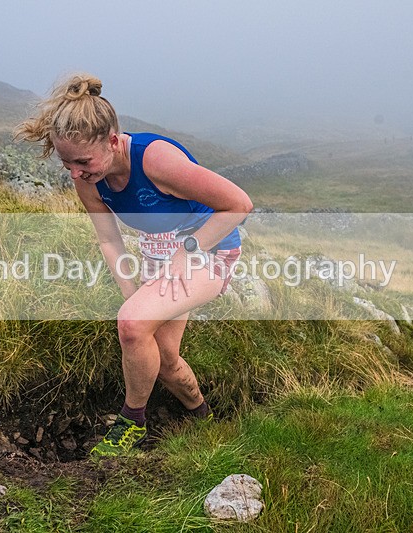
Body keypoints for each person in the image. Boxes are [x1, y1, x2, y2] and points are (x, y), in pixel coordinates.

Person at [16, 74, 253, 457]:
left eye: (82, 162)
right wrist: (130, 291)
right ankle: (204, 416)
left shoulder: (156, 160)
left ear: (113, 141)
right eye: (66, 164)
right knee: (163, 357)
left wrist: (188, 250)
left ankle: (132, 422)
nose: (76, 173)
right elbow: (109, 239)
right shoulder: (88, 177)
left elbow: (239, 205)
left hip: (208, 248)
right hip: (159, 252)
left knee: (131, 326)